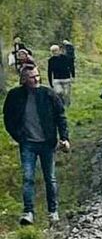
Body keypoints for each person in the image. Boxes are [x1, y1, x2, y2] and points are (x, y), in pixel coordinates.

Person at [3, 65, 70, 225]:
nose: (36, 79)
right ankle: (28, 212)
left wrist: (64, 137)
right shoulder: (15, 96)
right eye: (32, 77)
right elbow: (8, 118)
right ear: (24, 79)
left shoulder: (48, 94)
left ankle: (53, 212)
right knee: (28, 178)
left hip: (47, 143)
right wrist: (18, 136)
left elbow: (61, 116)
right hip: (27, 143)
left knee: (50, 178)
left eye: (37, 76)